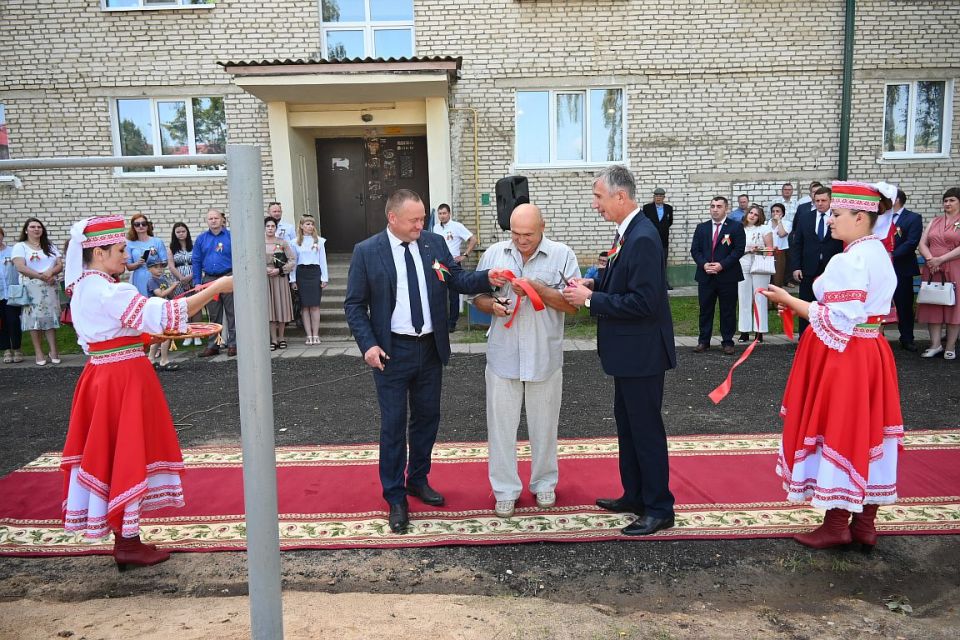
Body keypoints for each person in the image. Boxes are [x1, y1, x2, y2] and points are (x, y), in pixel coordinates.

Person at [60, 215, 233, 570]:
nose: (126, 256)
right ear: (98, 252)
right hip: (123, 379)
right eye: (119, 250)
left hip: (102, 375)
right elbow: (168, 313)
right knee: (128, 451)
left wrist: (147, 334)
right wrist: (217, 287)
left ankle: (127, 539)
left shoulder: (84, 287)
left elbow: (112, 334)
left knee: (115, 452)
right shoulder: (109, 290)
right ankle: (127, 542)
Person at [344, 189, 504, 534]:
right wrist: (368, 345)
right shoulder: (367, 251)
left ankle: (417, 479)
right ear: (392, 218)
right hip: (391, 351)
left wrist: (486, 277)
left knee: (427, 418)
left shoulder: (433, 243)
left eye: (423, 218)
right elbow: (354, 305)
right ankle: (395, 496)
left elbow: (454, 279)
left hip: (430, 348)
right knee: (393, 424)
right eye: (414, 220)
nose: (421, 225)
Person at [760, 181, 902, 551]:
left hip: (846, 357)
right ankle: (865, 524)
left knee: (841, 430)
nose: (831, 220)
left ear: (860, 217)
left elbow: (838, 319)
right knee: (869, 432)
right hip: (872, 351)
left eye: (837, 214)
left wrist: (790, 300)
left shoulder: (849, 259)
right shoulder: (878, 252)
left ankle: (837, 524)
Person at [562, 165, 677, 536]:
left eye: (599, 197)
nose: (595, 204)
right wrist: (594, 283)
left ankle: (659, 508)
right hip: (629, 354)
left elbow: (643, 302)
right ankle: (636, 495)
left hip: (642, 354)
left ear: (621, 196)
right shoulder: (628, 232)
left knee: (645, 430)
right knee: (628, 427)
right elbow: (623, 281)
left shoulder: (642, 237)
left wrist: (590, 299)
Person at [470, 203, 579, 518]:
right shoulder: (494, 253)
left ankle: (544, 482)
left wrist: (539, 289)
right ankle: (504, 489)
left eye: (528, 234)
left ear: (543, 227)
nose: (521, 240)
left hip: (544, 356)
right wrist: (492, 306)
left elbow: (575, 305)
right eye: (515, 233)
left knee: (545, 426)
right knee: (501, 428)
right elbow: (475, 296)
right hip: (503, 356)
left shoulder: (563, 255)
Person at [690, 196, 746, 354]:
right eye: (712, 206)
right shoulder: (702, 228)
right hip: (706, 275)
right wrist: (704, 264)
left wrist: (722, 265)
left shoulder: (735, 227)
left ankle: (727, 342)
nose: (715, 209)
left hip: (727, 276)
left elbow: (738, 250)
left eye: (719, 206)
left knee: (728, 310)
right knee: (705, 310)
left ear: (726, 208)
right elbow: (695, 250)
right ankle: (703, 341)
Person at [790, 187, 843, 336]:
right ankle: (804, 337)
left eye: (823, 200)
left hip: (831, 269)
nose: (820, 203)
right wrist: (796, 267)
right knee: (806, 305)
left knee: (829, 306)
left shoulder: (839, 218)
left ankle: (828, 337)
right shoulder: (805, 218)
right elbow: (797, 244)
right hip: (808, 269)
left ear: (831, 201)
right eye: (817, 200)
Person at [11, 217, 62, 366]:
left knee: (50, 319)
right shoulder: (20, 246)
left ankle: (54, 351)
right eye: (32, 227)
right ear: (26, 230)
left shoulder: (49, 245)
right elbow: (20, 267)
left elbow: (59, 264)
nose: (36, 229)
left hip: (50, 286)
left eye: (39, 227)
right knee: (34, 320)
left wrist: (51, 273)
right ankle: (39, 352)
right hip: (31, 288)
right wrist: (41, 276)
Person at [917, 187, 960, 359]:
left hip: (954, 267)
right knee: (932, 305)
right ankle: (935, 345)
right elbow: (922, 243)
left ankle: (950, 346)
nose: (947, 203)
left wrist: (940, 259)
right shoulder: (934, 221)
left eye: (952, 200)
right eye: (945, 200)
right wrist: (930, 259)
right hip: (932, 268)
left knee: (954, 307)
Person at [192, 208, 237, 357]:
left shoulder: (231, 237)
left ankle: (234, 344)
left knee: (232, 312)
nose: (213, 221)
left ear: (222, 220)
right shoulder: (201, 239)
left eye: (216, 218)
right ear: (207, 221)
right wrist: (197, 282)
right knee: (214, 314)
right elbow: (196, 261)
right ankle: (214, 345)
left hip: (228, 277)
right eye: (210, 219)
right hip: (210, 280)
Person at [432, 203, 477, 332]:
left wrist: (465, 255)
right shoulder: (436, 227)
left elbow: (473, 239)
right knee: (438, 293)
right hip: (439, 264)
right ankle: (441, 321)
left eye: (444, 213)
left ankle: (452, 322)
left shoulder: (457, 226)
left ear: (449, 213)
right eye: (440, 213)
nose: (442, 216)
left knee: (453, 294)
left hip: (452, 263)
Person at [889, 189, 923, 352]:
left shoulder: (913, 218)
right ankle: (878, 336)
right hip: (881, 268)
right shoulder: (881, 217)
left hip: (901, 268)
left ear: (896, 200)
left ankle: (907, 338)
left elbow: (911, 242)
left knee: (904, 304)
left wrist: (891, 255)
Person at [737, 204, 774, 343]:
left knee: (760, 297)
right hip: (743, 263)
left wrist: (759, 250)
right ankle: (744, 331)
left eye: (756, 214)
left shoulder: (764, 228)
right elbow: (734, 248)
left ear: (760, 217)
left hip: (760, 264)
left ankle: (759, 331)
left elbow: (770, 249)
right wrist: (748, 249)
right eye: (751, 213)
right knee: (744, 298)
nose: (752, 216)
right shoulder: (739, 229)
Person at [290, 214, 328, 345]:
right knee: (305, 306)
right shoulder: (295, 242)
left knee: (315, 306)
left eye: (312, 224)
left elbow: (322, 260)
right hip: (301, 273)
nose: (310, 226)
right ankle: (309, 335)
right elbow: (294, 262)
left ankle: (316, 334)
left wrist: (324, 278)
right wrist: (293, 279)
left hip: (314, 272)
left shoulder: (319, 241)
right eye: (307, 224)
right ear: (301, 226)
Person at [264, 217, 296, 350]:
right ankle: (273, 339)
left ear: (276, 228)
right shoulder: (259, 243)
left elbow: (292, 260)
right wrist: (265, 269)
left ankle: (281, 337)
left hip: (280, 278)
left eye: (273, 226)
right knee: (270, 309)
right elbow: (254, 259)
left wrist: (280, 270)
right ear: (264, 228)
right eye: (268, 226)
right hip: (266, 280)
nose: (270, 228)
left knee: (281, 307)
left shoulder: (282, 243)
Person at [167, 221, 200, 346]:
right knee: (183, 307)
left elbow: (198, 262)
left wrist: (191, 276)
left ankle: (197, 334)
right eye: (178, 232)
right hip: (179, 279)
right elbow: (171, 266)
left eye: (183, 231)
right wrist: (182, 278)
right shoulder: (171, 249)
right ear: (174, 234)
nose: (181, 234)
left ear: (187, 232)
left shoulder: (194, 246)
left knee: (196, 304)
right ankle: (187, 334)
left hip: (194, 277)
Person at [145, 259, 179, 371]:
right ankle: (164, 361)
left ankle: (151, 359)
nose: (159, 269)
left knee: (159, 335)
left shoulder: (163, 280)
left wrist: (173, 288)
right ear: (149, 269)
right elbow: (160, 294)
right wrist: (172, 287)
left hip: (163, 308)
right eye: (156, 267)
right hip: (156, 310)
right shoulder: (151, 281)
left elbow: (170, 296)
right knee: (165, 335)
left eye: (161, 267)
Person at [124, 214, 167, 297]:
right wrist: (138, 263)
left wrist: (155, 263)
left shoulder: (157, 241)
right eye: (137, 224)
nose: (141, 226)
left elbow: (165, 262)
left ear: (147, 225)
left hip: (156, 276)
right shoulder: (129, 244)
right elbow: (128, 267)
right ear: (133, 227)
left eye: (143, 223)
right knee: (142, 300)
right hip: (140, 277)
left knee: (157, 300)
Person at [642, 187, 674, 290]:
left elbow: (670, 222)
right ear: (654, 197)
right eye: (656, 196)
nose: (658, 198)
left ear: (664, 197)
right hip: (650, 240)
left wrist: (662, 229)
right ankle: (650, 283)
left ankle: (664, 283)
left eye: (660, 196)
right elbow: (644, 222)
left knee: (663, 262)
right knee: (650, 261)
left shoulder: (668, 208)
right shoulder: (647, 208)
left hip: (663, 240)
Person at [0, 225, 24, 364]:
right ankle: (6, 350)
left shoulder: (12, 251)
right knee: (1, 323)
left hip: (12, 293)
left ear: (2, 235)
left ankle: (17, 348)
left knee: (13, 321)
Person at [769, 202, 793, 287]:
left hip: (779, 251)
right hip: (768, 251)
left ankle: (777, 293)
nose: (775, 213)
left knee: (778, 276)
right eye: (773, 211)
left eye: (777, 211)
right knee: (767, 276)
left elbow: (782, 234)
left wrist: (779, 221)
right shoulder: (767, 223)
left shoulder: (787, 223)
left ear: (782, 213)